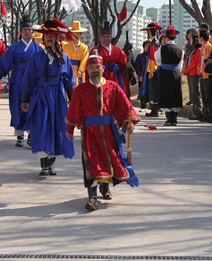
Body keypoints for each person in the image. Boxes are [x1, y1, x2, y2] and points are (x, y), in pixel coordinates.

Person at [65, 52, 140, 212]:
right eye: (91, 67)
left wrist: (129, 122)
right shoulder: (81, 90)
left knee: (108, 160)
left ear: (102, 68)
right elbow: (73, 111)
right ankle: (92, 197)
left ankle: (105, 188)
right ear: (87, 69)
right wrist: (70, 129)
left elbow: (125, 106)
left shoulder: (113, 87)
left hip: (109, 132)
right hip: (89, 133)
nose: (94, 70)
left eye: (97, 67)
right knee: (92, 162)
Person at [20, 19, 75, 176]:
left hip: (58, 97)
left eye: (53, 35)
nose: (49, 38)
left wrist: (74, 102)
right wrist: (25, 99)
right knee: (41, 127)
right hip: (41, 96)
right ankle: (44, 163)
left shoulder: (64, 58)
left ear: (57, 38)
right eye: (47, 36)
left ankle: (50, 163)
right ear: (43, 39)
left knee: (57, 127)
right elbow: (29, 79)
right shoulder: (36, 57)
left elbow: (69, 82)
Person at [0, 17, 43, 147]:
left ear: (33, 32)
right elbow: (4, 64)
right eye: (25, 30)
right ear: (21, 32)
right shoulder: (14, 48)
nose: (27, 32)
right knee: (17, 104)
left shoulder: (38, 49)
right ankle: (19, 134)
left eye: (30, 30)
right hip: (18, 78)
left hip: (33, 80)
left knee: (33, 105)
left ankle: (32, 134)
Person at [156, 26, 183, 126]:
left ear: (166, 37)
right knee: (175, 94)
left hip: (165, 73)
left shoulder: (161, 49)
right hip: (176, 73)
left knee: (166, 94)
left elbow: (157, 60)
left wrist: (163, 65)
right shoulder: (180, 49)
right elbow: (180, 64)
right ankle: (174, 119)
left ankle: (169, 119)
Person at [91, 25, 128, 92]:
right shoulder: (95, 50)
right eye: (103, 37)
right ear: (100, 38)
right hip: (100, 78)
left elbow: (123, 64)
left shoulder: (118, 50)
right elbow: (90, 66)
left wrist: (124, 65)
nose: (106, 39)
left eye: (108, 37)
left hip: (115, 77)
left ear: (111, 37)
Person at [140, 22, 162, 117]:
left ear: (149, 32)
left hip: (154, 69)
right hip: (156, 68)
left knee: (153, 89)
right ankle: (154, 109)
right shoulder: (156, 42)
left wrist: (151, 71)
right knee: (154, 89)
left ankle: (155, 110)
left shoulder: (153, 44)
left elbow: (153, 58)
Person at [62, 20, 89, 86]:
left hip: (79, 73)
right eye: (74, 33)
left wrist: (81, 70)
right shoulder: (66, 47)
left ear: (80, 34)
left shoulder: (84, 47)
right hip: (69, 70)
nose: (76, 35)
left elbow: (84, 60)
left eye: (77, 33)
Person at [183, 33, 202, 119]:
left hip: (194, 73)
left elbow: (195, 63)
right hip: (190, 73)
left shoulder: (198, 50)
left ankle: (198, 111)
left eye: (191, 40)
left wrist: (187, 69)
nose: (189, 41)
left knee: (195, 93)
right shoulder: (192, 49)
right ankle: (195, 112)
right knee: (192, 92)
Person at [134, 40, 150, 110]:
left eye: (149, 46)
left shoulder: (152, 57)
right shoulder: (140, 56)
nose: (148, 48)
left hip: (149, 76)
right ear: (143, 47)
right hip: (142, 76)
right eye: (147, 46)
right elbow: (136, 66)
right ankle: (143, 105)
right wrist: (140, 75)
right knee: (142, 90)